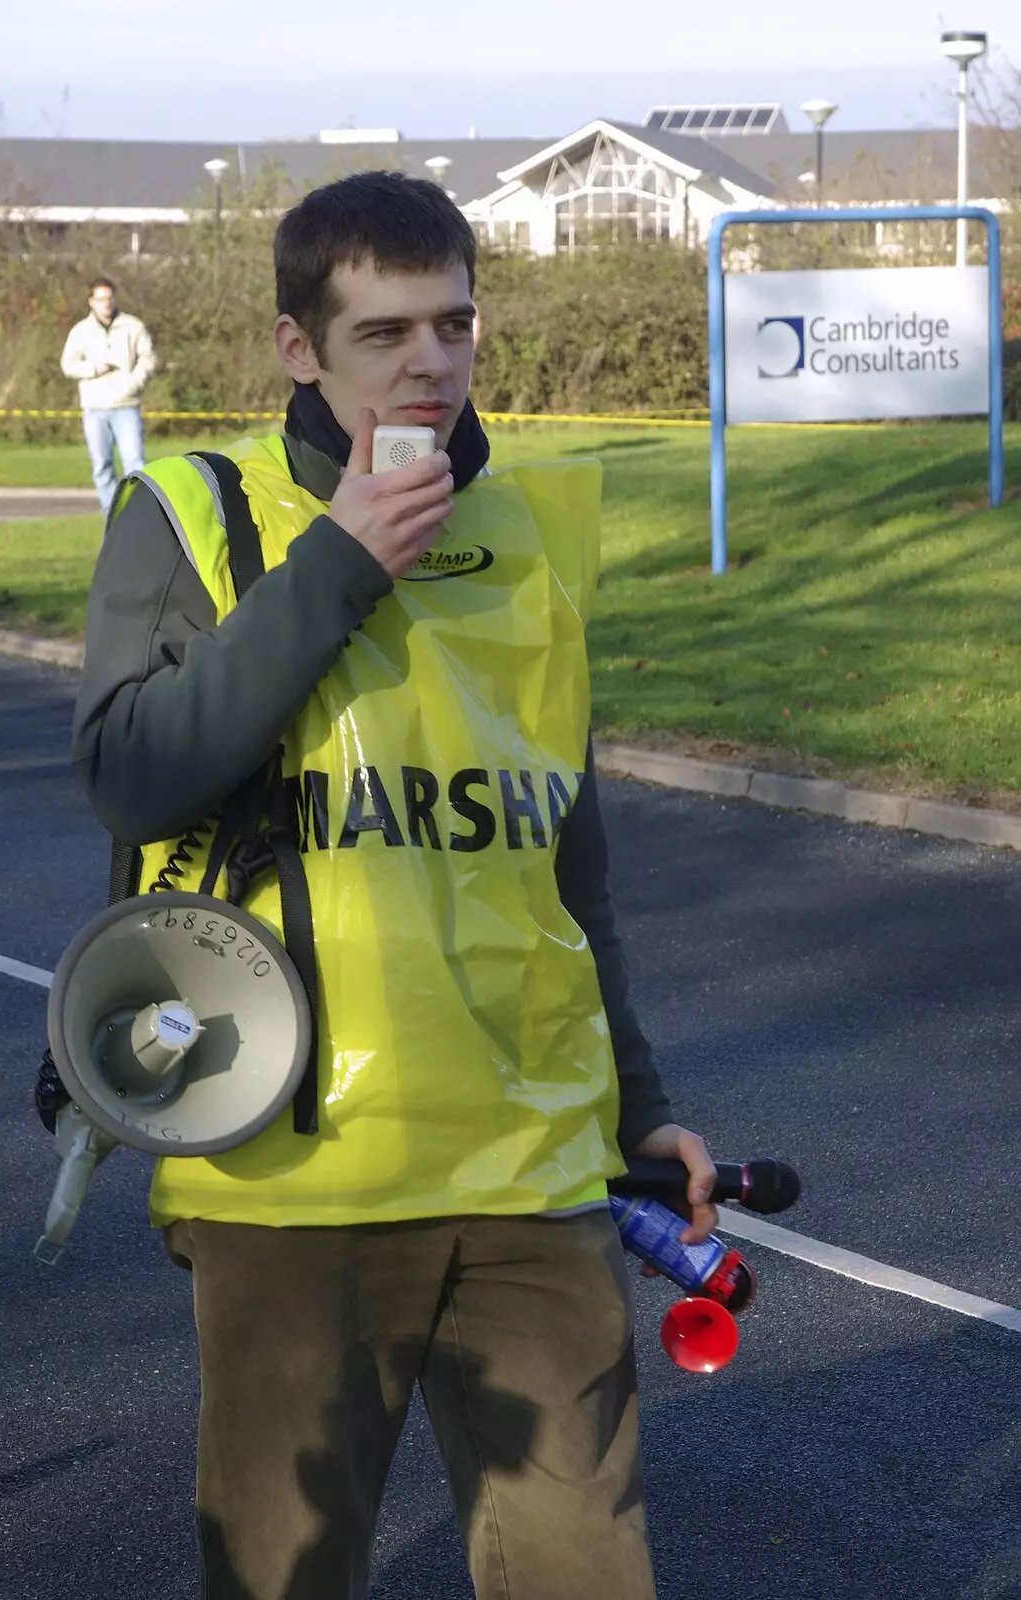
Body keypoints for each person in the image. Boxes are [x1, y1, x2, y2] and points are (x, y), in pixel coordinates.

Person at [67, 171, 718, 1600]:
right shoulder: (191, 514)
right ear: (300, 347)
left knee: (583, 1576)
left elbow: (568, 866)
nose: (429, 359)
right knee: (281, 1576)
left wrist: (641, 1103)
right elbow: (128, 773)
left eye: (454, 323)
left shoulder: (534, 528)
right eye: (383, 332)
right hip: (293, 1170)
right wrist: (339, 562)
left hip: (531, 1167)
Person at [59, 276, 156, 514]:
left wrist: (133, 383)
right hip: (95, 408)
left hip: (126, 405)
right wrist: (92, 369)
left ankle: (139, 512)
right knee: (102, 465)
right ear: (91, 302)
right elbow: (68, 364)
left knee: (135, 462)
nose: (106, 303)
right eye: (101, 299)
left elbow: (148, 358)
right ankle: (112, 514)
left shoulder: (133, 326)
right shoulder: (81, 331)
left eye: (109, 298)